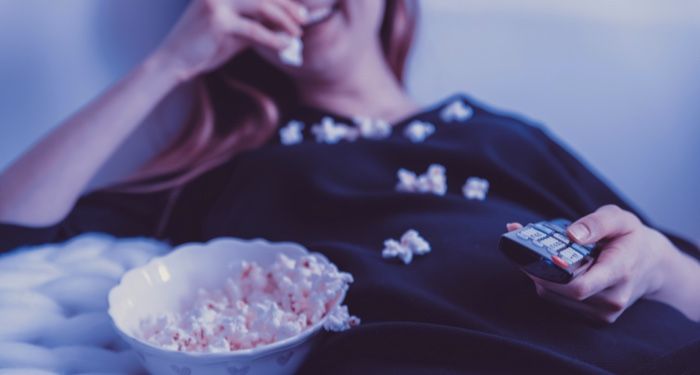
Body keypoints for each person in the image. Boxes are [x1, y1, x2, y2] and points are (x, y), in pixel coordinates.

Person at [0, 0, 698, 373]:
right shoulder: (237, 166)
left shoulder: (501, 133)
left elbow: (684, 280)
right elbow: (14, 227)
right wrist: (169, 64)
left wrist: (658, 266)